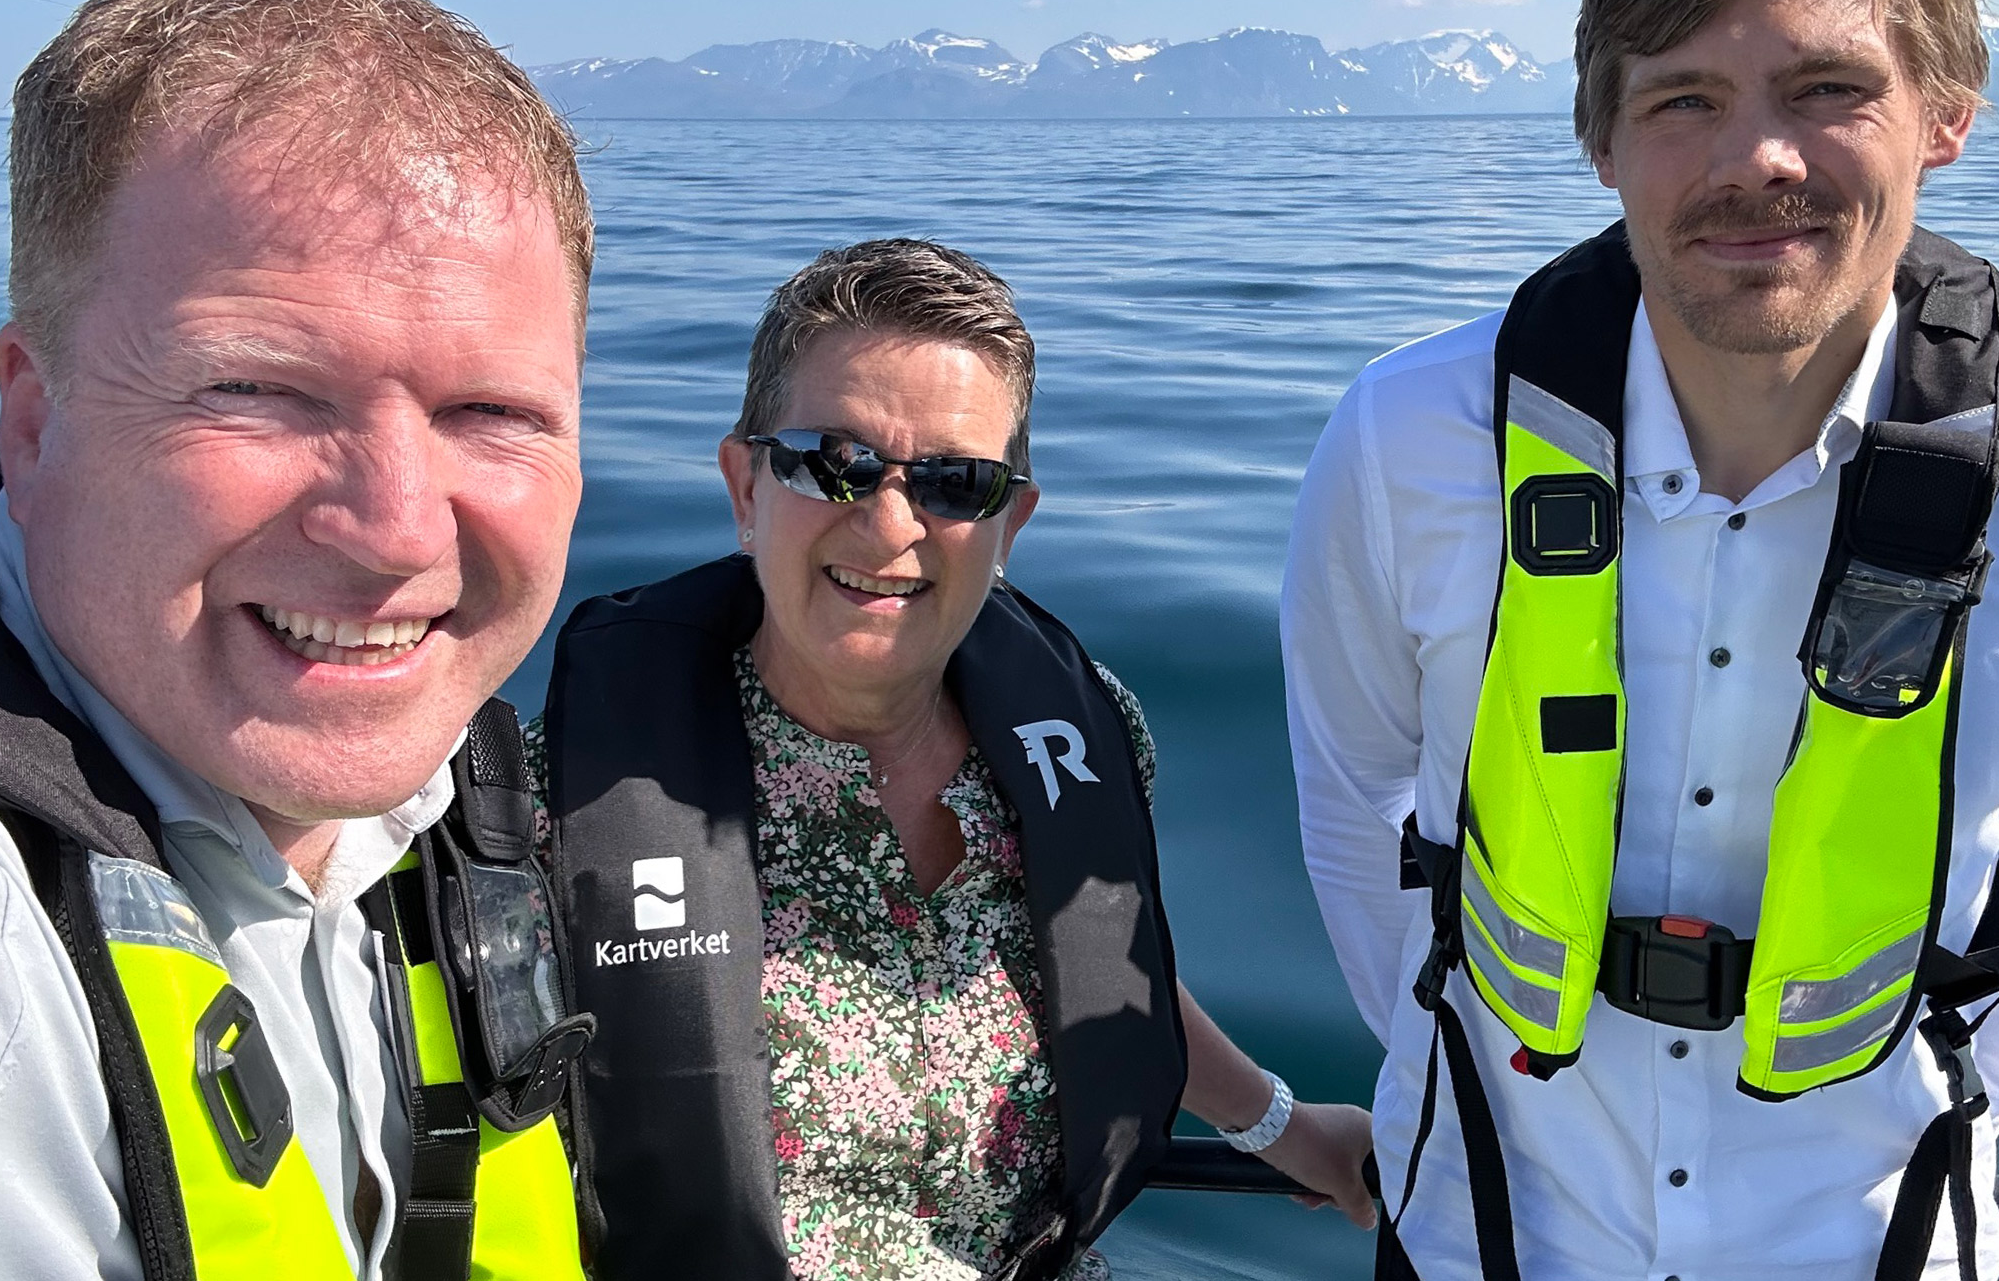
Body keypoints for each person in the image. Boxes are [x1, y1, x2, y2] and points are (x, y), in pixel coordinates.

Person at [1283, 0, 1999, 1281]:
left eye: (1828, 86)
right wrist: (1437, 1053)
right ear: (1598, 135)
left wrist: (1918, 1094)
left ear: (1945, 112)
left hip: (1871, 1231)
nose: (1756, 159)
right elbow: (1355, 809)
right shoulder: (1406, 440)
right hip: (1492, 1217)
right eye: (1682, 99)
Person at [0, 0, 600, 1279]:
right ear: (36, 420)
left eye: (489, 413)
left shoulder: (456, 806)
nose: (400, 526)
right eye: (259, 390)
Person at [540, 239, 1375, 1280]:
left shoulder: (1084, 736)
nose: (889, 522)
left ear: (1010, 522)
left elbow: (1103, 969)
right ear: (745, 486)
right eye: (828, 460)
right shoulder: (567, 808)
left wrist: (1286, 1128)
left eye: (954, 482)